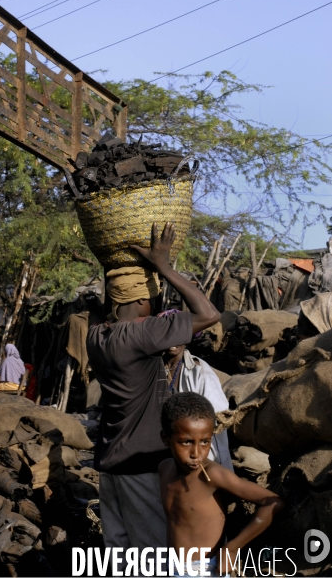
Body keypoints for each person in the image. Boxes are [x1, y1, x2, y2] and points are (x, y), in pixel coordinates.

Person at [87, 222, 220, 570]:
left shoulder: (95, 336)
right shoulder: (143, 334)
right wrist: (164, 266)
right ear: (145, 300)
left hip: (108, 461)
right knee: (153, 558)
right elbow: (209, 314)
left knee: (119, 556)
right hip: (140, 463)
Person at [159, 392, 284, 577]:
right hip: (174, 567)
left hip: (208, 570)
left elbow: (273, 502)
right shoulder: (165, 470)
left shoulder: (212, 475)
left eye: (205, 442)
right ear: (165, 439)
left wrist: (232, 548)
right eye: (186, 442)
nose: (196, 453)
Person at [161, 330, 233, 471]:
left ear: (187, 339)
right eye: (167, 334)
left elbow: (218, 415)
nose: (172, 341)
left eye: (177, 335)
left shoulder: (200, 372)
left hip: (202, 454)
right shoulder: (157, 368)